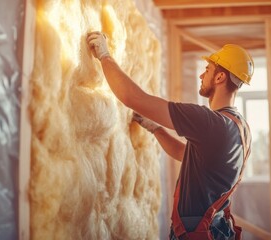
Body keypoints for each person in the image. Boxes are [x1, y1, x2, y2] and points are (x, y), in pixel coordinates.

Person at [87, 31, 253, 240]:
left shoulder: (209, 122)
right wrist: (155, 129)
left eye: (208, 70)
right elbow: (186, 154)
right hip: (215, 229)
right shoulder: (240, 127)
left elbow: (133, 98)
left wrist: (104, 56)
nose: (202, 75)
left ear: (220, 77)